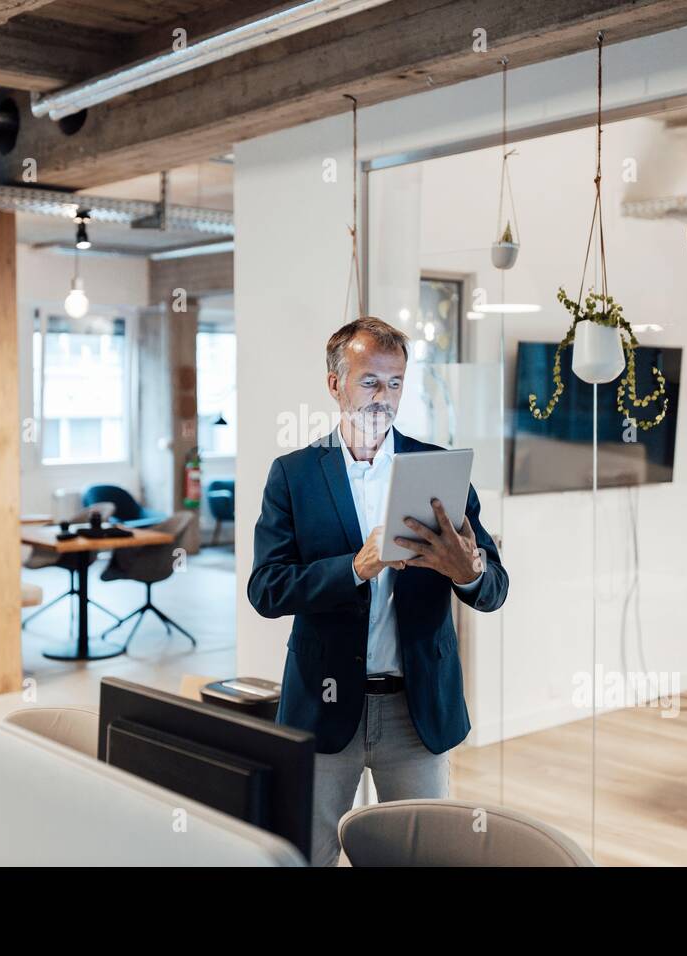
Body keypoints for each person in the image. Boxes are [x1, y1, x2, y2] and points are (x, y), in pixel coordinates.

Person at [247, 316, 509, 866]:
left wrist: (468, 572)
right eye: (370, 381)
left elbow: (494, 589)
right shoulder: (293, 475)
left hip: (415, 709)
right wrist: (356, 567)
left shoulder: (438, 470)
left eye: (394, 383)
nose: (382, 398)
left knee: (417, 860)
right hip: (323, 702)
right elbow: (266, 590)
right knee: (307, 856)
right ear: (334, 383)